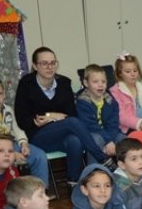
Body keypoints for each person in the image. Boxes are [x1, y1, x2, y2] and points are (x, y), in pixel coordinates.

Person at [13, 47, 111, 186]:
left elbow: (72, 114)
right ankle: (102, 158)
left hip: (61, 136)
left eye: (53, 63)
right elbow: (22, 119)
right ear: (35, 66)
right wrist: (50, 116)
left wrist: (52, 118)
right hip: (38, 136)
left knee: (75, 141)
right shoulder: (26, 84)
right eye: (44, 63)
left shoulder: (64, 83)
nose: (50, 67)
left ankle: (73, 183)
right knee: (72, 123)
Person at [0, 75, 49, 183]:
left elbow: (17, 129)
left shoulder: (8, 109)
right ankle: (16, 189)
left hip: (14, 143)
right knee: (11, 162)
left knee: (39, 155)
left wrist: (24, 144)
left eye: (0, 93)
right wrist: (12, 153)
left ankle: (41, 188)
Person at [76, 64, 124, 161]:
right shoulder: (82, 102)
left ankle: (124, 169)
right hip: (90, 135)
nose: (100, 85)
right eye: (95, 82)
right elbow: (90, 126)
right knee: (97, 140)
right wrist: (108, 141)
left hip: (109, 134)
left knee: (126, 141)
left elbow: (113, 124)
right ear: (86, 83)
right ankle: (95, 168)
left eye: (103, 81)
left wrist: (110, 141)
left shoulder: (111, 101)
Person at [109, 53, 142, 135]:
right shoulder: (115, 92)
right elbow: (121, 115)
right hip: (129, 128)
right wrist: (140, 124)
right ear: (119, 73)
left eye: (135, 71)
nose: (133, 74)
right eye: (128, 71)